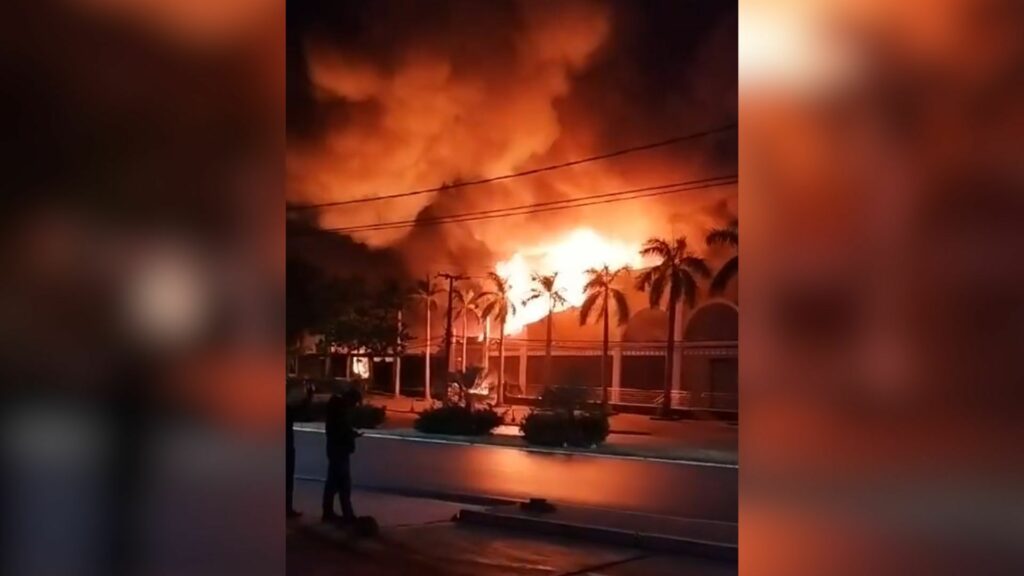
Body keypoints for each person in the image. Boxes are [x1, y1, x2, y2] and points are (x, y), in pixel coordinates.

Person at [321, 388, 362, 524]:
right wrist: (351, 435)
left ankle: (329, 512)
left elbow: (339, 429)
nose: (354, 406)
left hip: (335, 450)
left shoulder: (336, 409)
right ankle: (347, 514)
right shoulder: (340, 411)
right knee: (343, 484)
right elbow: (340, 431)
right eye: (355, 403)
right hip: (339, 451)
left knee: (333, 483)